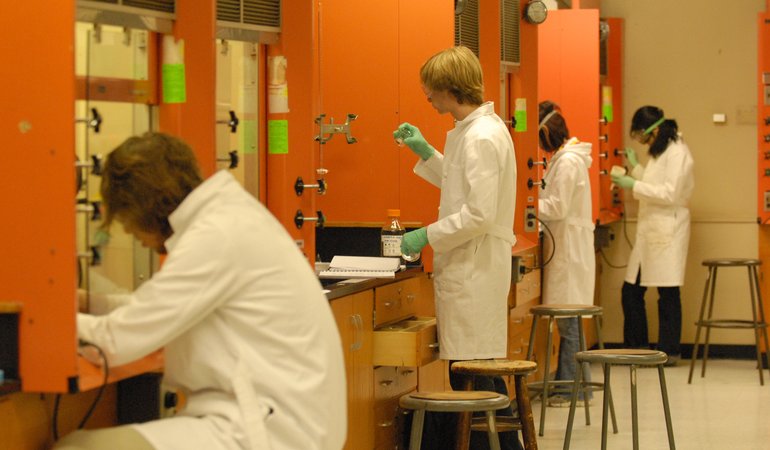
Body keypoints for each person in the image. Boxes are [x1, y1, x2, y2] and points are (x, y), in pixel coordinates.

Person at [56, 133, 347, 450]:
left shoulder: (216, 234)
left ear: (141, 205)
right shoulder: (228, 217)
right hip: (278, 417)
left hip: (269, 430)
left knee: (77, 448)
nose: (128, 232)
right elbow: (159, 307)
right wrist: (89, 303)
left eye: (125, 219)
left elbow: (114, 341)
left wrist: (49, 320)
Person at [394, 46, 519, 450]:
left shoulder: (481, 136)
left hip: (475, 268)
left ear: (449, 88)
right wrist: (426, 152)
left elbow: (477, 214)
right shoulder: (476, 130)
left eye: (430, 89)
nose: (427, 97)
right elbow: (459, 185)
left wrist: (424, 235)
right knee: (474, 370)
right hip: (473, 265)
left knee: (473, 376)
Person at [611, 106, 694, 366]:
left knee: (668, 294)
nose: (643, 143)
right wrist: (636, 170)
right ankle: (637, 348)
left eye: (643, 137)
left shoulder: (678, 152)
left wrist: (633, 184)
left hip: (667, 229)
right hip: (650, 231)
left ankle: (669, 351)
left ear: (656, 130)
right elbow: (654, 183)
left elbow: (668, 193)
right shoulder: (661, 151)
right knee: (631, 290)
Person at [536, 101, 595, 406]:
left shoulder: (569, 162)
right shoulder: (565, 159)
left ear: (545, 132)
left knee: (568, 321)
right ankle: (574, 386)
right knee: (569, 321)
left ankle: (570, 388)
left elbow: (557, 207)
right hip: (567, 244)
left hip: (568, 248)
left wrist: (527, 206)